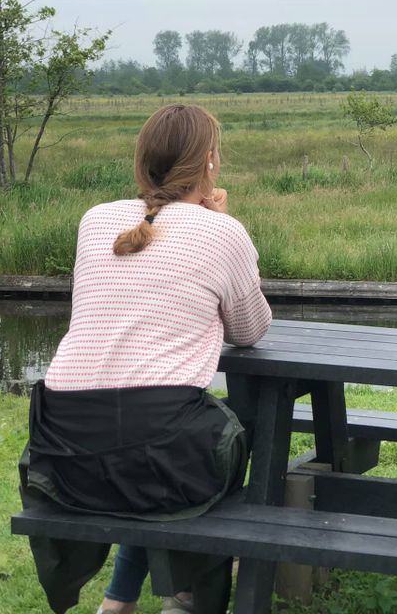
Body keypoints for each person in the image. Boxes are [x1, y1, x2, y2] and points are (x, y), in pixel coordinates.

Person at [21, 104, 272, 614]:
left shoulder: (95, 220)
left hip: (62, 448)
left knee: (154, 442)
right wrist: (216, 224)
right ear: (208, 163)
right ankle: (186, 598)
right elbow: (250, 330)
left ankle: (117, 603)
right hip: (155, 449)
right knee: (208, 441)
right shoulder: (224, 232)